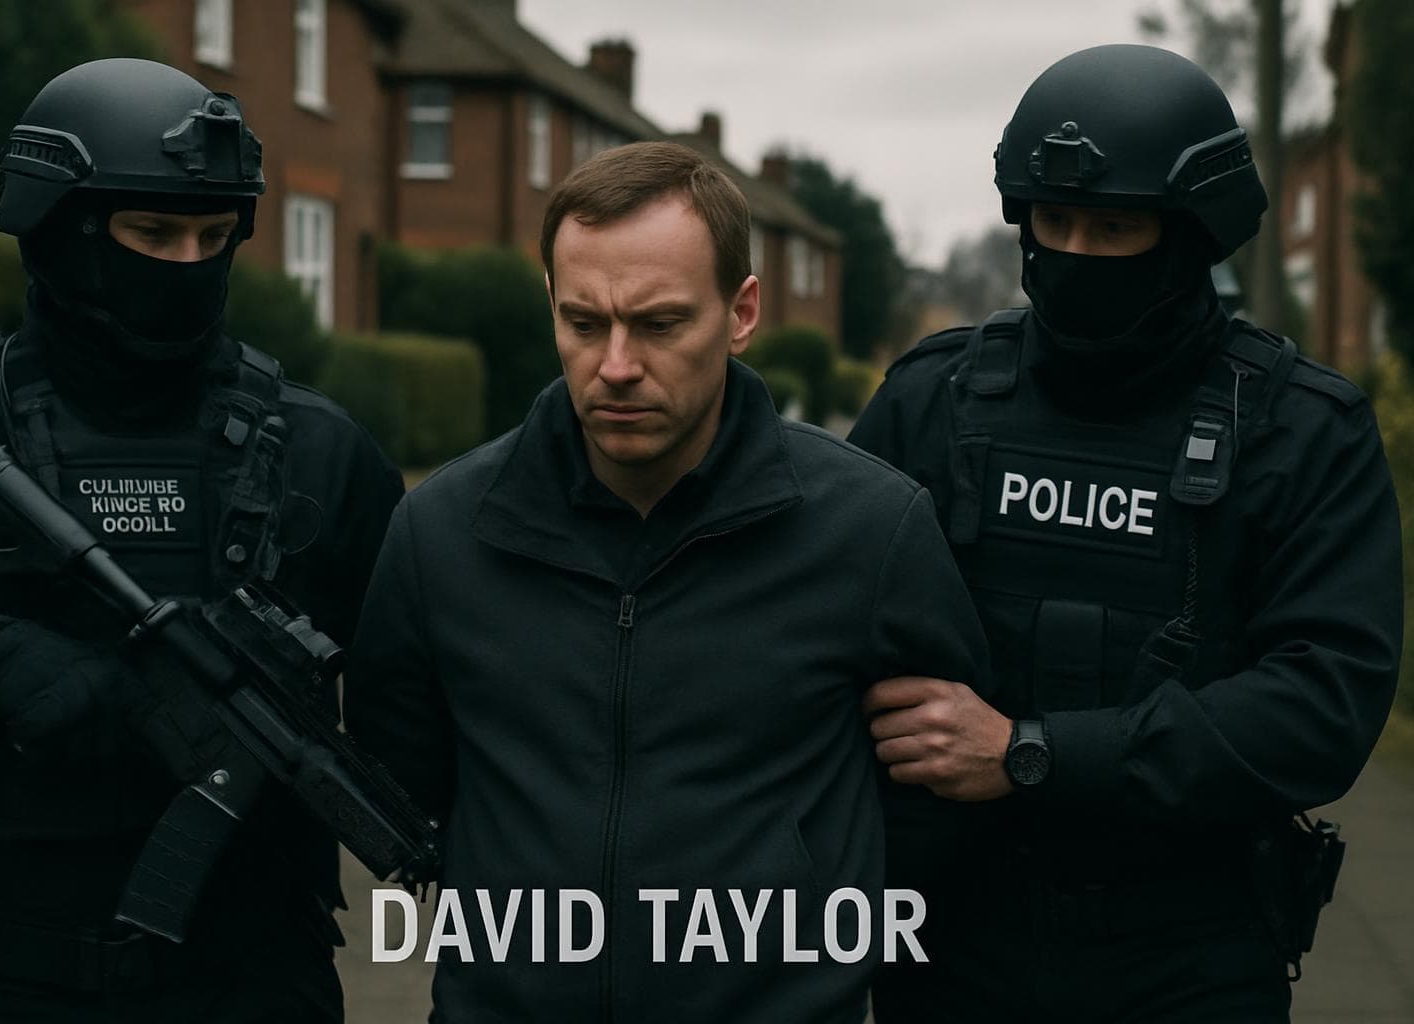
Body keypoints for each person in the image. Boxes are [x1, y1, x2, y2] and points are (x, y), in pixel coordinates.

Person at [344, 140, 990, 1022]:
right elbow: (406, 783)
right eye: (583, 323)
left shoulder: (872, 532)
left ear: (741, 311)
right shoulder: (441, 532)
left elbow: (933, 815)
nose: (615, 365)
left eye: (658, 325)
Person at [850, 43, 1402, 1023]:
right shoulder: (933, 400)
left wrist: (1028, 753)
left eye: (1114, 227)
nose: (1076, 255)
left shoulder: (1300, 429)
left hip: (1190, 952)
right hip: (954, 941)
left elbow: (1320, 710)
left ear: (1190, 235)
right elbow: (818, 635)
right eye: (1054, 222)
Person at [0, 58, 402, 1022]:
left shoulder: (322, 457)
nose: (187, 264)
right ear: (58, 229)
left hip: (250, 990)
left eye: (214, 236)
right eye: (153, 233)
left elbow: (426, 721)